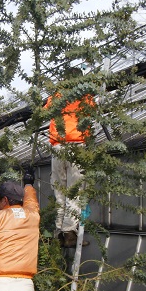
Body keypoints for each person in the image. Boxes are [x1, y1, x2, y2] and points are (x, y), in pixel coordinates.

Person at [46, 68, 95, 248]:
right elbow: (93, 112)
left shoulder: (55, 97)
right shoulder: (85, 97)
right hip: (76, 145)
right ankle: (70, 234)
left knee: (60, 191)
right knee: (74, 192)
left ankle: (59, 232)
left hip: (57, 148)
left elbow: (46, 111)